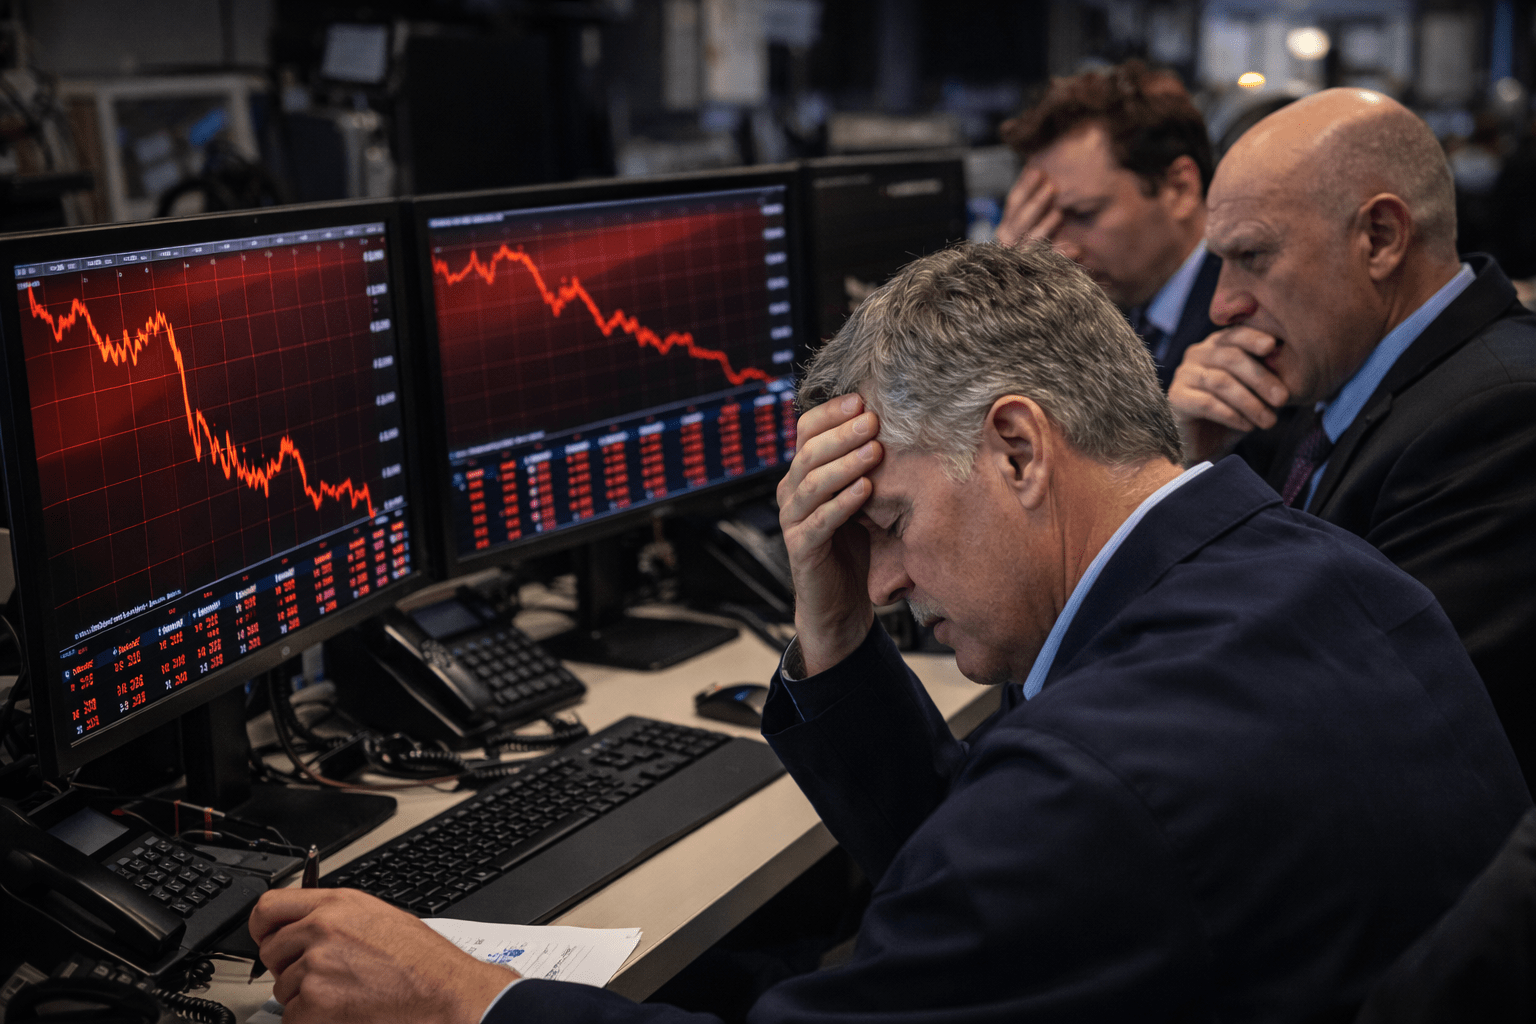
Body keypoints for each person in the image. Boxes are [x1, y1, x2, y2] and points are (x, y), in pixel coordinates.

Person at [249, 242, 1530, 1023]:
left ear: (1018, 447)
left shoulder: (1097, 778)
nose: (892, 579)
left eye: (892, 520)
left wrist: (468, 998)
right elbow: (985, 884)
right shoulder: (1328, 575)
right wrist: (834, 627)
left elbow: (1033, 847)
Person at [1168, 88, 1536, 794]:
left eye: (1252, 255)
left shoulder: (1504, 414)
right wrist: (1187, 463)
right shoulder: (1329, 383)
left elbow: (1339, 711)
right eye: (1220, 262)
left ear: (1381, 238)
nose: (1222, 305)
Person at [998, 60, 1220, 387]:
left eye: (1084, 214)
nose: (1061, 250)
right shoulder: (1115, 307)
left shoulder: (1247, 314)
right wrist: (1007, 294)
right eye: (1045, 220)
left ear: (1179, 188)